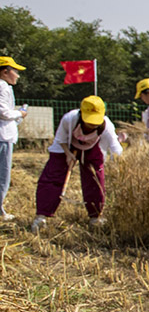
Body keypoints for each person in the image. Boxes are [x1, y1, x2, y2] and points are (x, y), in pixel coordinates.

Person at [31, 95, 123, 233]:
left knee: (95, 180)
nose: (92, 125)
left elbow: (115, 147)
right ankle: (41, 216)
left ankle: (96, 216)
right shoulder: (70, 118)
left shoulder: (106, 125)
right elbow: (61, 139)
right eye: (89, 121)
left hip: (92, 149)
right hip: (66, 147)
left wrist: (120, 164)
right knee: (52, 177)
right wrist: (68, 154)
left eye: (95, 122)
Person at [0, 56, 30, 222]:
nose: (17, 75)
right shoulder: (2, 87)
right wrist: (20, 113)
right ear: (5, 71)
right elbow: (3, 113)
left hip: (4, 135)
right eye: (15, 71)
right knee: (3, 175)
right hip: (3, 136)